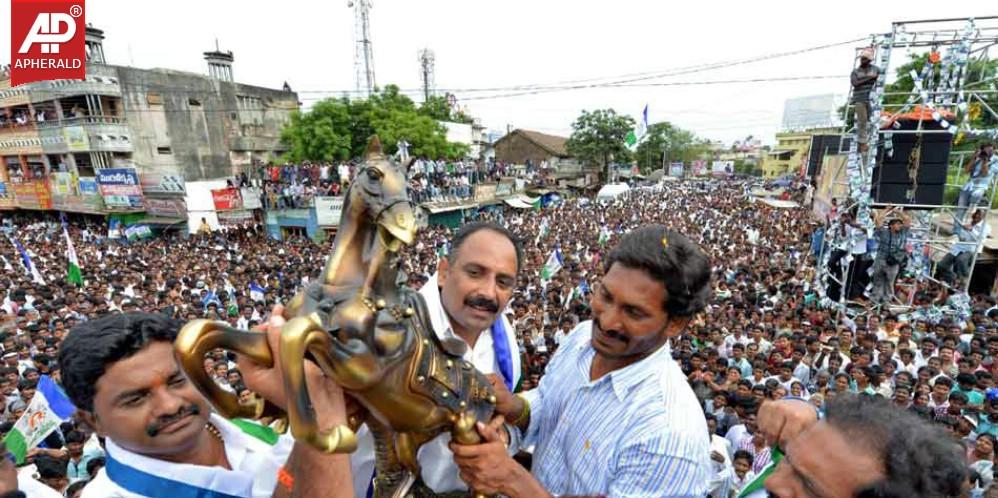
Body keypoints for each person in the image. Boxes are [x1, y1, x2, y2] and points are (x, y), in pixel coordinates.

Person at [450, 225, 713, 497]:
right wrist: (515, 407)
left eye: (633, 312)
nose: (607, 321)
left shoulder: (669, 435)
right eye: (606, 296)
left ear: (675, 324)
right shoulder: (581, 339)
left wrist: (513, 480)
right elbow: (548, 404)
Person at [58, 311, 355, 498]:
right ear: (93, 421)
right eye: (136, 398)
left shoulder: (256, 430)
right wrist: (317, 410)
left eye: (177, 381)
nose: (171, 405)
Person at [349, 221, 523, 497]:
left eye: (503, 282)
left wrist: (504, 440)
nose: (489, 293)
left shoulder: (506, 340)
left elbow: (509, 422)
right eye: (475, 273)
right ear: (443, 272)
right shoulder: (384, 333)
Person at [750, 396, 967, 498]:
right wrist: (800, 406)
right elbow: (793, 416)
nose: (771, 482)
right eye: (787, 458)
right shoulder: (812, 458)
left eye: (808, 486)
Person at [937, 209, 990, 286]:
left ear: (983, 217)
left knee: (961, 260)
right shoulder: (968, 223)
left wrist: (971, 230)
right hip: (959, 247)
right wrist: (962, 232)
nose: (977, 216)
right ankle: (953, 278)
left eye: (980, 215)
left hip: (972, 249)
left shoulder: (986, 227)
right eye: (977, 214)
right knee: (941, 265)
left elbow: (980, 239)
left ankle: (964, 278)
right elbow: (962, 237)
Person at [869, 208, 910, 306]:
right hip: (881, 259)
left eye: (900, 224)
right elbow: (878, 221)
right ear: (891, 225)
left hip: (894, 262)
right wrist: (887, 210)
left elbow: (907, 221)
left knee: (890, 282)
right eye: (897, 224)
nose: (899, 226)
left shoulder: (903, 233)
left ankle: (886, 301)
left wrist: (898, 212)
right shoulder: (884, 232)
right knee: (877, 280)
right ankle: (875, 300)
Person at [957, 142, 996, 221]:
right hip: (969, 185)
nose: (987, 152)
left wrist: (985, 161)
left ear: (994, 151)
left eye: (989, 150)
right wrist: (973, 158)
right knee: (960, 210)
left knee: (976, 194)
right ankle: (956, 232)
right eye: (985, 150)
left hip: (981, 186)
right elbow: (966, 170)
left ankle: (973, 204)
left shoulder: (995, 160)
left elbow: (985, 174)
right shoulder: (978, 158)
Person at [851, 47, 880, 153]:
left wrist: (865, 79)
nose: (862, 60)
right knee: (862, 120)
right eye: (861, 58)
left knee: (869, 120)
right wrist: (869, 78)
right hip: (859, 99)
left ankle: (862, 143)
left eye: (864, 59)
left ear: (869, 60)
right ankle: (863, 143)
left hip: (871, 99)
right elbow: (855, 83)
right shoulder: (855, 71)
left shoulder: (875, 69)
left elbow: (876, 77)